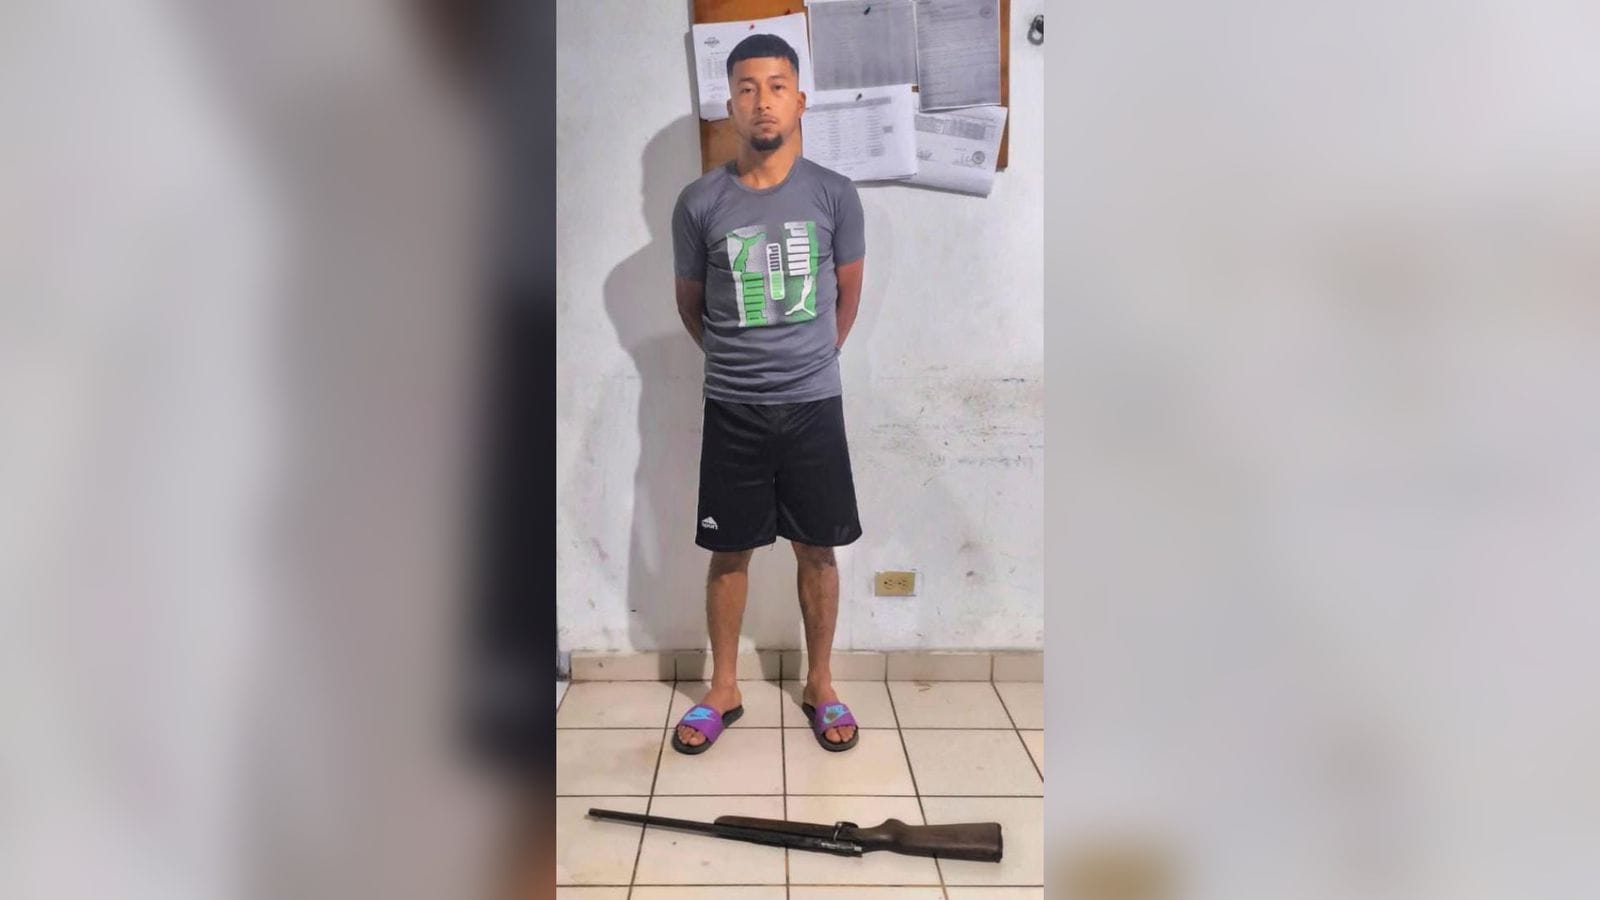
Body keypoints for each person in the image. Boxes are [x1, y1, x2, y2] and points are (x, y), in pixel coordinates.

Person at [668, 34, 865, 755]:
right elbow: (691, 305)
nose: (762, 101)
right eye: (747, 88)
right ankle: (722, 688)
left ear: (800, 99)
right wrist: (739, 364)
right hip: (734, 408)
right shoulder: (699, 202)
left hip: (814, 405)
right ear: (730, 104)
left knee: (819, 551)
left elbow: (847, 297)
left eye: (777, 86)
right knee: (730, 553)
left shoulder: (835, 195)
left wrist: (809, 359)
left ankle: (821, 683)